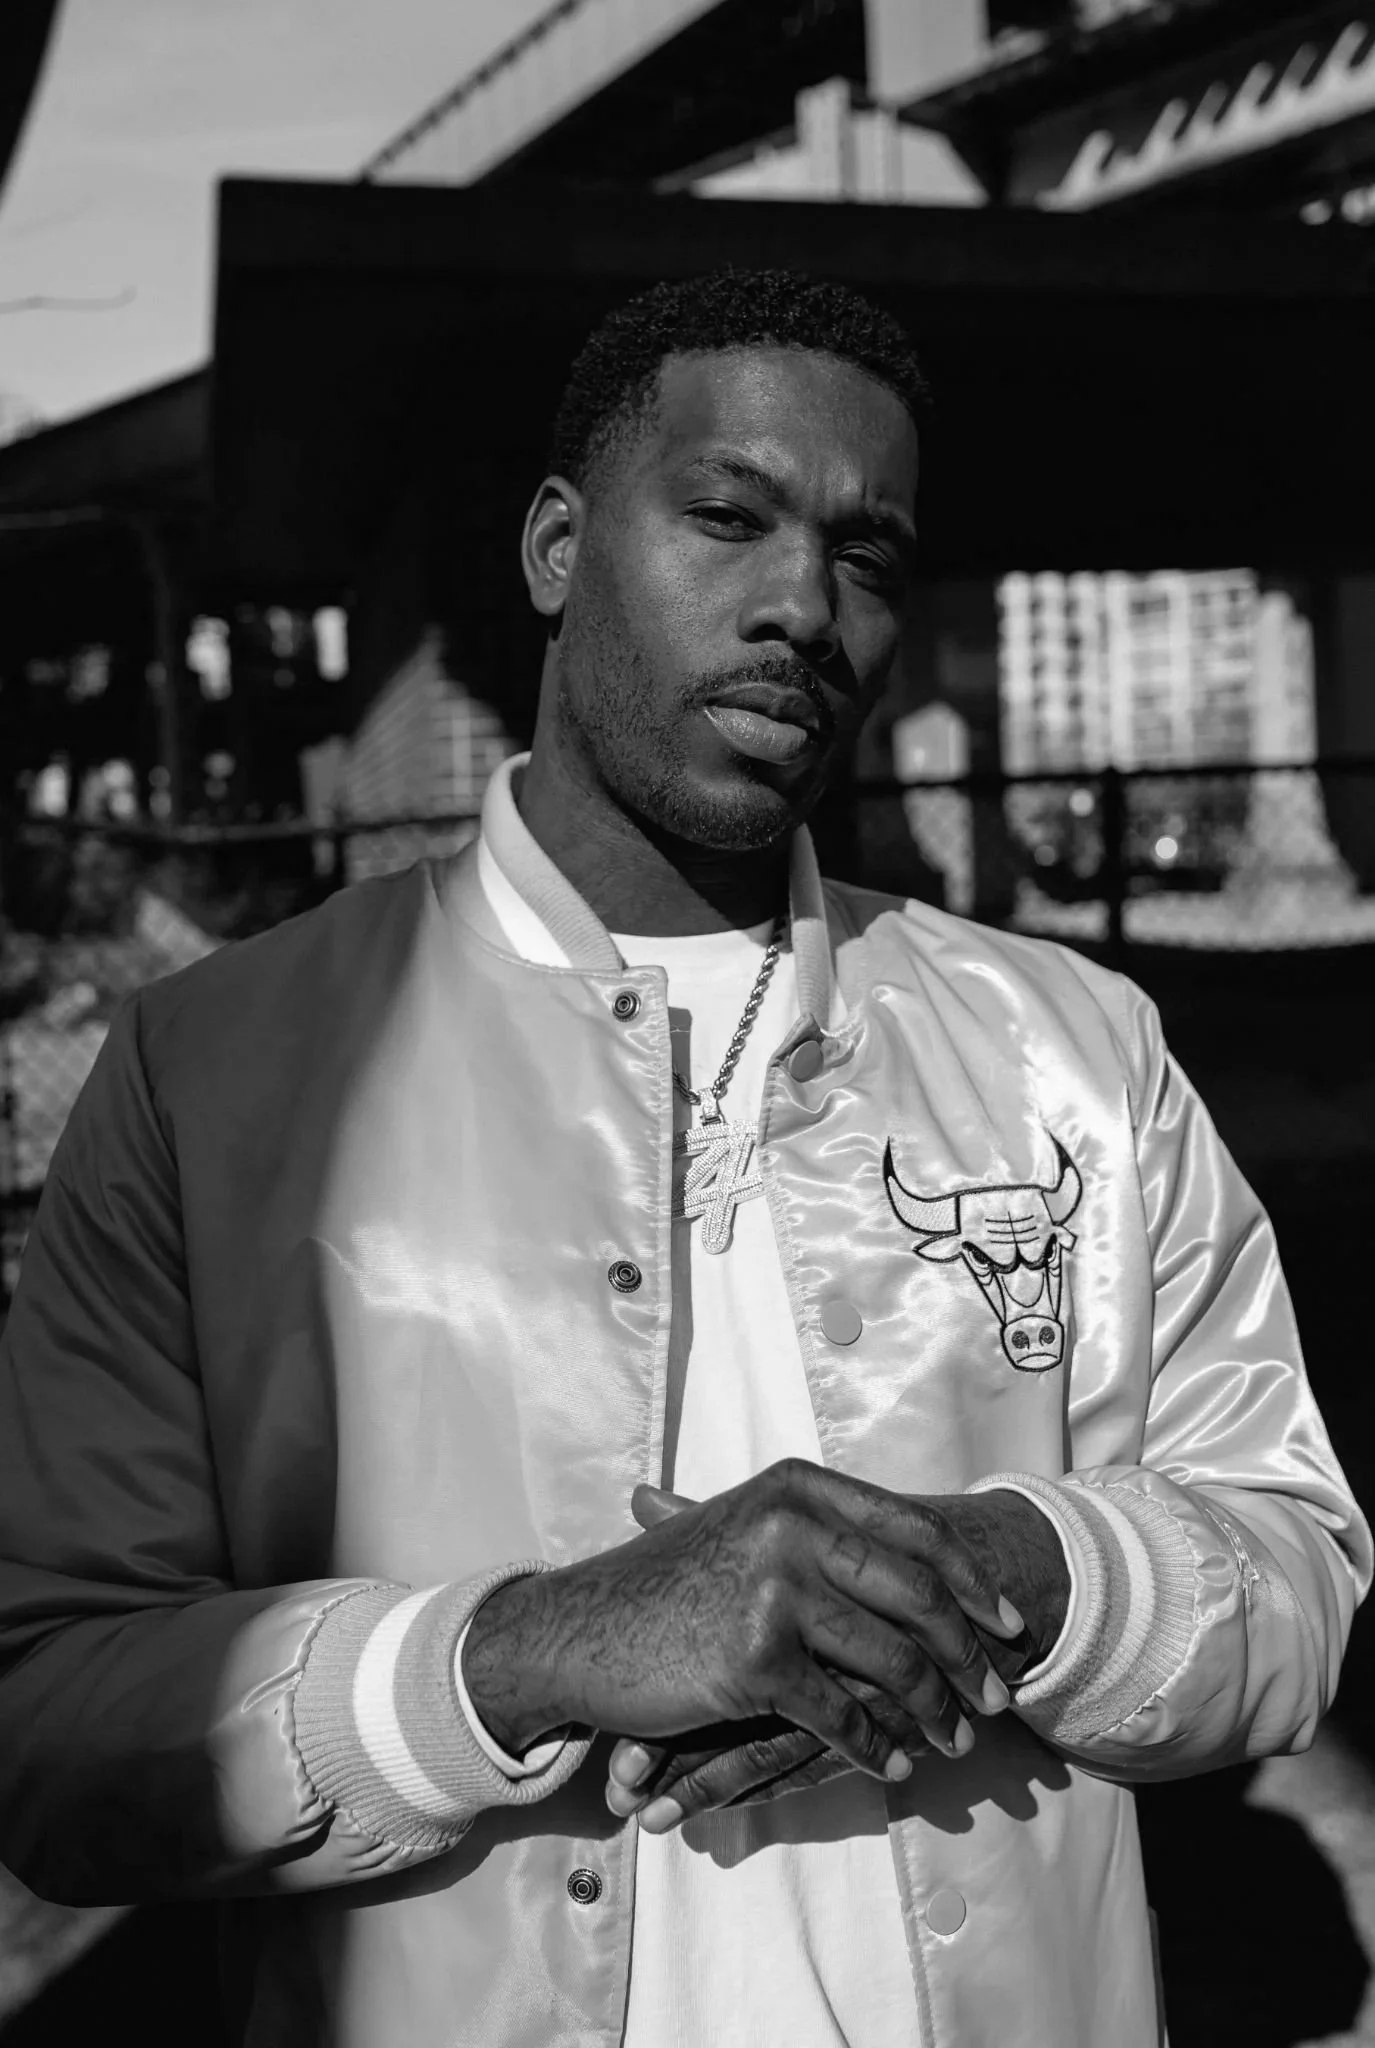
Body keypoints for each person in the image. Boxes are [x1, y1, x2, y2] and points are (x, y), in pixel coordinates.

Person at [0, 268, 1366, 2048]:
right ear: (558, 545)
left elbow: (1290, 1563)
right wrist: (525, 1649)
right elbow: (56, 1721)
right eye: (728, 517)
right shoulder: (215, 1074)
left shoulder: (1073, 1050)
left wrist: (1017, 1573)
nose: (802, 604)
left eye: (867, 558)